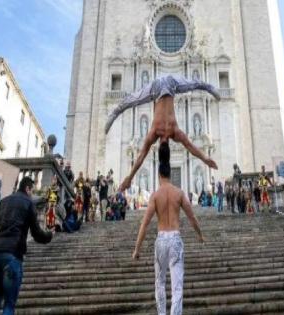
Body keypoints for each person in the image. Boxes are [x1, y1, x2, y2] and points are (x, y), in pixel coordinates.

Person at [105, 75, 220, 191]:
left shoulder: (174, 131)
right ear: (159, 145)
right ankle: (209, 87)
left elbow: (190, 147)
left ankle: (115, 113)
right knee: (135, 99)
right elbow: (141, 158)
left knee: (191, 85)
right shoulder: (155, 132)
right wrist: (129, 178)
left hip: (170, 85)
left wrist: (205, 159)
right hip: (159, 88)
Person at [132, 142, 204, 315]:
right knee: (177, 287)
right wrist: (200, 235)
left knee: (160, 283)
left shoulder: (155, 196)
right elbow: (192, 217)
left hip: (161, 241)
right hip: (175, 241)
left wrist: (137, 249)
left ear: (158, 175)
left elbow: (145, 224)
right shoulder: (179, 193)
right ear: (170, 174)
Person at [0, 177, 53, 315]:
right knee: (9, 304)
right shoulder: (28, 203)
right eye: (32, 190)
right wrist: (49, 235)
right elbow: (36, 233)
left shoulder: (3, 201)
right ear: (28, 189)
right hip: (13, 254)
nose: (32, 194)